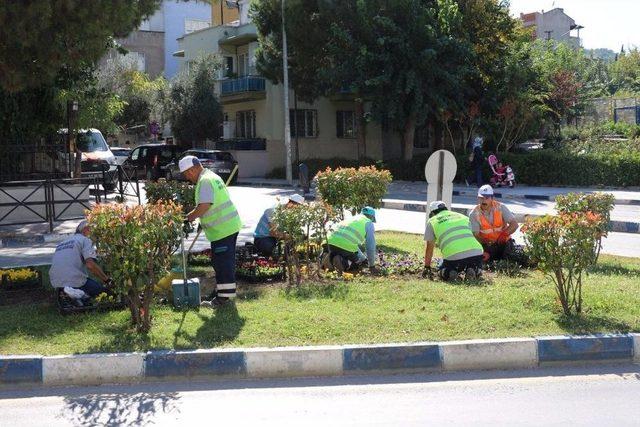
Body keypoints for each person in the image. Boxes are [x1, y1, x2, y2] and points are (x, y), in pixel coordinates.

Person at [181, 155, 242, 308]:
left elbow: (204, 206)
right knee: (222, 261)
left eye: (187, 174)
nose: (188, 178)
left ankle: (223, 299)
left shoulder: (205, 181)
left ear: (194, 168)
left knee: (222, 263)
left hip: (223, 230)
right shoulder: (212, 176)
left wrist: (189, 218)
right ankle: (222, 293)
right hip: (228, 227)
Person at [423, 201, 484, 281]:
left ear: (432, 213)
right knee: (473, 264)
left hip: (454, 256)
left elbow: (429, 248)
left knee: (441, 265)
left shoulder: (432, 221)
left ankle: (449, 272)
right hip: (476, 252)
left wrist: (427, 267)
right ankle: (474, 269)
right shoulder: (462, 216)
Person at [49, 220, 112, 298]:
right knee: (105, 293)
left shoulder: (62, 242)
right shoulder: (85, 240)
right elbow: (90, 265)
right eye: (94, 231)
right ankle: (78, 294)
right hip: (74, 281)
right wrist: (107, 280)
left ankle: (65, 293)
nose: (96, 235)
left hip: (56, 283)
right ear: (86, 230)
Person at [469, 184, 519, 261]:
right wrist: (486, 245)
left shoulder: (501, 207)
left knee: (509, 259)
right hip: (487, 245)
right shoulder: (474, 214)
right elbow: (476, 235)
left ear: (492, 198)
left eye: (487, 198)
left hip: (504, 243)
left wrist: (504, 235)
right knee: (485, 259)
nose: (484, 201)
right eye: (481, 198)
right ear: (478, 198)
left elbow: (514, 224)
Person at [325, 207, 377, 273]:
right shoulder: (368, 223)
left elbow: (349, 241)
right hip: (344, 247)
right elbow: (370, 246)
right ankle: (342, 261)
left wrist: (363, 259)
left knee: (335, 251)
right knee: (356, 263)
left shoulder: (352, 219)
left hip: (328, 242)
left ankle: (328, 258)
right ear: (372, 217)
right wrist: (371, 265)